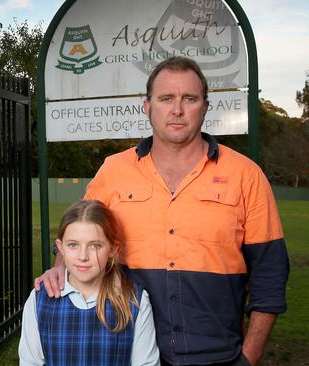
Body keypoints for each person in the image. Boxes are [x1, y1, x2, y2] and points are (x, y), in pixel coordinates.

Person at [35, 56, 289, 366]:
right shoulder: (114, 171)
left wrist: (249, 357)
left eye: (190, 99)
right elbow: (78, 235)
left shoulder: (245, 175)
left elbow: (270, 273)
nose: (178, 109)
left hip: (217, 356)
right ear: (147, 106)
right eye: (166, 98)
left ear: (206, 106)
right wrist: (60, 268)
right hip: (124, 350)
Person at [19, 200, 160, 366]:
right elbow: (30, 362)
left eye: (95, 245)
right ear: (61, 247)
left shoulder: (135, 301)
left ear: (113, 249)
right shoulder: (40, 300)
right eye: (73, 245)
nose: (83, 256)